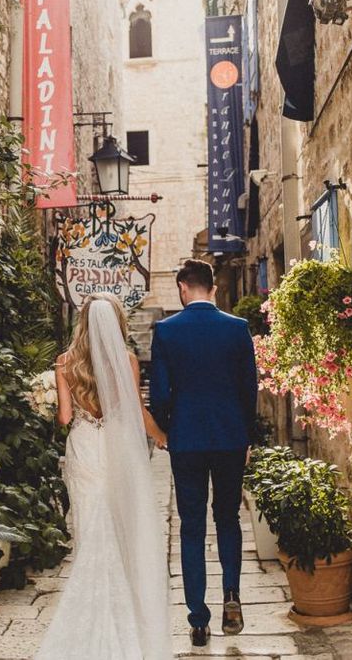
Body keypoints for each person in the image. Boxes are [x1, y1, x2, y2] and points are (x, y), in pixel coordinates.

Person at [35, 293, 172, 660]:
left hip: (83, 447)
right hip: (113, 447)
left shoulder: (65, 362)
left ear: (82, 322)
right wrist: (161, 436)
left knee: (88, 526)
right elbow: (133, 410)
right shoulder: (125, 361)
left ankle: (90, 606)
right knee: (117, 523)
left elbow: (64, 419)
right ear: (116, 322)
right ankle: (120, 606)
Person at [150, 259, 258, 647]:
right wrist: (246, 436)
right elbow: (250, 390)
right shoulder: (237, 328)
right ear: (213, 289)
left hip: (188, 440)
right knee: (228, 518)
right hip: (230, 437)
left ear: (182, 288)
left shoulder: (166, 331)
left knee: (191, 525)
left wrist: (166, 429)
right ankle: (231, 593)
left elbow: (160, 393)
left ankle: (198, 619)